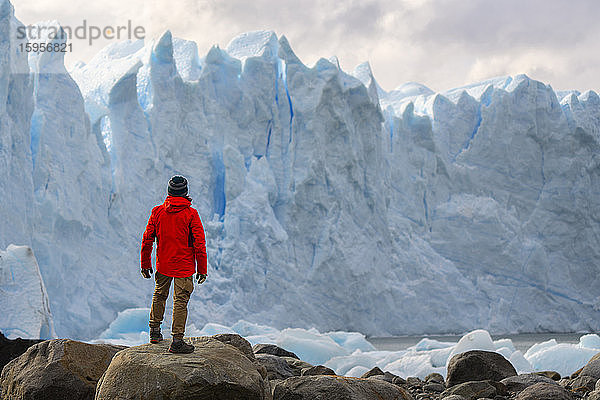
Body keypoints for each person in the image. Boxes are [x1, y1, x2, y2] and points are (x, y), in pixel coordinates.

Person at [140, 175, 207, 354]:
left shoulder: (157, 212)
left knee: (159, 294)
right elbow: (200, 244)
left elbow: (147, 240)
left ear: (169, 192)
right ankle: (177, 341)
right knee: (180, 301)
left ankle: (154, 332)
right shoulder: (191, 214)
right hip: (184, 267)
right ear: (185, 193)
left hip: (164, 264)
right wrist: (202, 268)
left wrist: (145, 263)